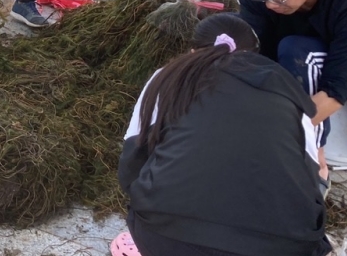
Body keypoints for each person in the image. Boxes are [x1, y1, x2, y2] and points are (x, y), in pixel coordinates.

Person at [117, 14, 330, 256]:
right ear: (254, 54)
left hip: (169, 238)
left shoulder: (169, 77)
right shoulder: (287, 90)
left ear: (192, 51)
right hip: (282, 246)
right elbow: (312, 174)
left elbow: (131, 165)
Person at [235, 0, 347, 194]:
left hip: (336, 67)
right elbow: (251, 54)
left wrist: (276, 137)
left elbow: (337, 86)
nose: (271, 5)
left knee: (298, 51)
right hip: (302, 61)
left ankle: (315, 162)